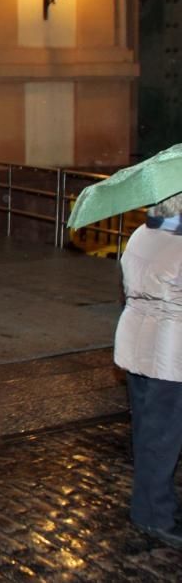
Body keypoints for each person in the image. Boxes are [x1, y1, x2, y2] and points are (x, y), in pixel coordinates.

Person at [115, 191, 182, 548]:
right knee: (162, 439)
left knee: (148, 434)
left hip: (137, 347)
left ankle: (152, 505)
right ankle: (155, 516)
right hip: (170, 355)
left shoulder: (142, 234)